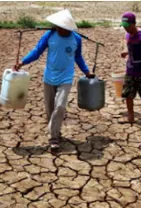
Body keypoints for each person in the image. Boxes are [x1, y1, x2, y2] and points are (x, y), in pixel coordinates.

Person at [13, 9, 94, 151]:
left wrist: (86, 71)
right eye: (57, 26)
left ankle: (53, 138)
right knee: (50, 109)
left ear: (68, 27)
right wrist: (22, 62)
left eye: (61, 27)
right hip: (49, 76)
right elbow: (37, 51)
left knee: (60, 106)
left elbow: (78, 57)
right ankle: (56, 132)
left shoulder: (76, 39)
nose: (58, 28)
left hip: (66, 77)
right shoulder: (49, 35)